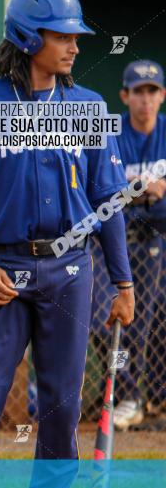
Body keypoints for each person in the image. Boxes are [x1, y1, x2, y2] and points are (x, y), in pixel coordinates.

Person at [0, 0, 134, 488]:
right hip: (5, 269)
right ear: (28, 37)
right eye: (62, 35)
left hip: (72, 270)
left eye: (76, 36)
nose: (74, 46)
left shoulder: (88, 108)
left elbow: (108, 201)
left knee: (62, 404)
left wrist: (124, 282)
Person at [96, 59, 166, 430]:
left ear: (162, 95)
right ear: (125, 95)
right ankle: (126, 394)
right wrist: (140, 189)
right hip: (116, 242)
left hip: (158, 239)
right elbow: (104, 190)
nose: (145, 99)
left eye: (152, 91)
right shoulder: (114, 133)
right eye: (138, 91)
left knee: (154, 324)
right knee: (105, 320)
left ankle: (153, 398)